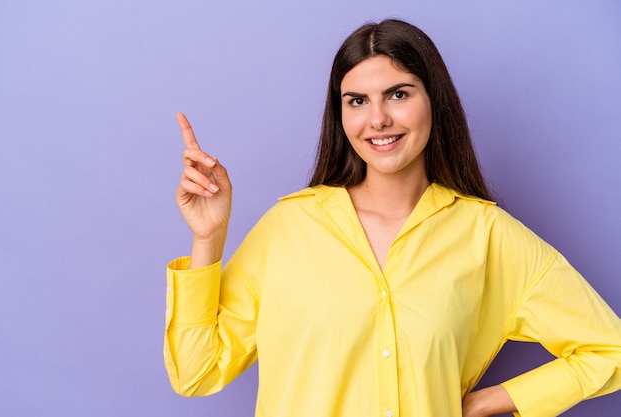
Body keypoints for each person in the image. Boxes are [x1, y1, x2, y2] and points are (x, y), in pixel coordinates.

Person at [164, 19, 621, 417]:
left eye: (397, 94)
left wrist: (490, 401)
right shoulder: (287, 229)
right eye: (357, 101)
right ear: (340, 114)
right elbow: (196, 372)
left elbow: (610, 351)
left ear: (433, 101)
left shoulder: (486, 236)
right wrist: (209, 239)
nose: (377, 119)